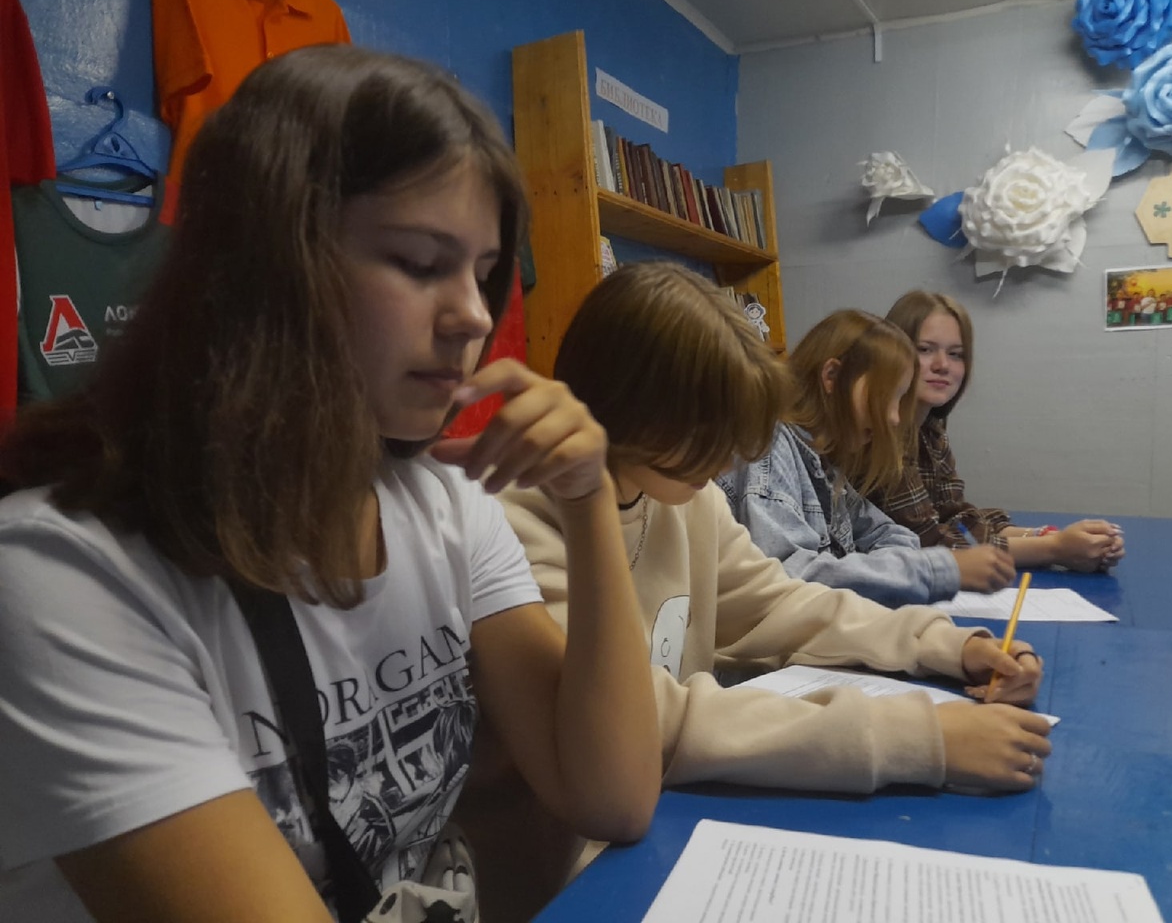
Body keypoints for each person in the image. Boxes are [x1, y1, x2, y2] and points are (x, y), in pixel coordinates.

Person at [0, 45, 661, 923]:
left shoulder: (447, 506)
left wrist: (587, 501)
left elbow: (613, 796)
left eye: (482, 272)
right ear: (268, 266)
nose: (474, 315)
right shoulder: (63, 577)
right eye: (420, 263)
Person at [502, 261, 1050, 818]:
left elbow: (781, 604)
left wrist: (947, 645)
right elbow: (645, 720)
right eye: (708, 428)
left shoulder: (689, 498)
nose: (728, 460)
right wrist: (918, 737)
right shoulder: (516, 531)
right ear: (633, 400)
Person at [717, 308, 1014, 606]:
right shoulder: (769, 450)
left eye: (900, 399)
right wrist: (936, 570)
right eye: (886, 396)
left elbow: (892, 534)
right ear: (832, 376)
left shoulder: (824, 464)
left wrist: (881, 573)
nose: (895, 417)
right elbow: (790, 580)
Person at [872, 290, 1124, 571]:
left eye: (955, 354)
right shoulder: (881, 437)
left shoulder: (930, 430)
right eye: (925, 350)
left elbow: (956, 518)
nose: (942, 365)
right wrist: (1055, 549)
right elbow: (928, 543)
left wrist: (1052, 537)